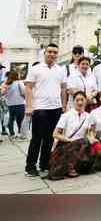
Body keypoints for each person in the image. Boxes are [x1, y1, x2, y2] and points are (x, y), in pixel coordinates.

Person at [24, 44, 67, 178]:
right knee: (37, 138)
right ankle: (30, 166)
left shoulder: (60, 70)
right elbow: (29, 88)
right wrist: (29, 106)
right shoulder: (35, 69)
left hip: (55, 108)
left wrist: (64, 105)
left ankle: (44, 164)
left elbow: (63, 88)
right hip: (40, 108)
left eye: (55, 52)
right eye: (49, 52)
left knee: (50, 139)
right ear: (45, 53)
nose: (52, 54)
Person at [48, 91, 93, 180]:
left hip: (81, 145)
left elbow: (89, 133)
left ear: (86, 101)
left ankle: (74, 165)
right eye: (77, 100)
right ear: (73, 101)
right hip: (66, 144)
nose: (80, 102)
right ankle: (69, 167)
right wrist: (70, 140)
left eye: (82, 100)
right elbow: (55, 134)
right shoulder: (66, 116)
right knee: (79, 143)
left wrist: (92, 139)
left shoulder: (88, 116)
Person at [1, 71, 26, 140]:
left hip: (9, 104)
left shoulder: (6, 84)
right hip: (19, 103)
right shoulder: (19, 82)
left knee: (10, 119)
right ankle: (20, 133)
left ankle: (12, 134)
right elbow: (24, 91)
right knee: (20, 119)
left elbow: (2, 93)